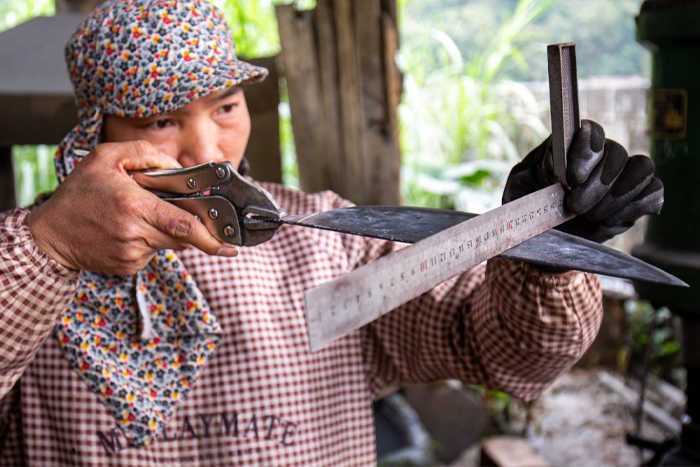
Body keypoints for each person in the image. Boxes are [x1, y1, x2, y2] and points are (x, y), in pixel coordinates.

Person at [0, 0, 663, 465]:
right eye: (159, 120)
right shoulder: (28, 253)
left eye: (226, 106)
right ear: (96, 136)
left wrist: (538, 254)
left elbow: (505, 351)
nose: (208, 148)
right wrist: (52, 246)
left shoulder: (324, 239)